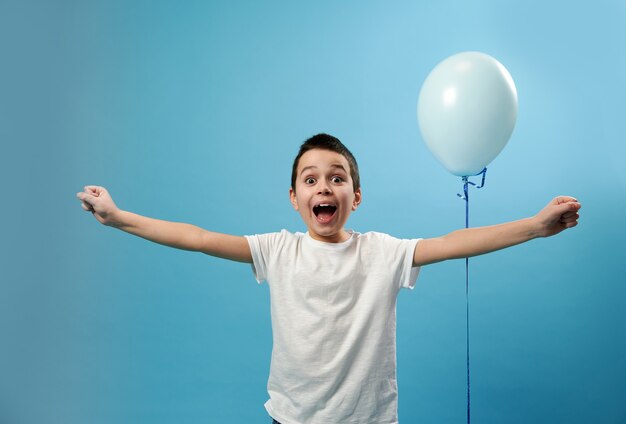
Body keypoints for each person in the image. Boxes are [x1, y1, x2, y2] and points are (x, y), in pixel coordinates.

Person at [76, 133, 581, 424]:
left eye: (337, 178)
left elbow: (452, 244)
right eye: (311, 178)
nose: (325, 186)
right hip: (291, 420)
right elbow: (199, 236)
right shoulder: (277, 249)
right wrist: (120, 218)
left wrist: (534, 227)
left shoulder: (382, 252)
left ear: (355, 197)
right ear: (294, 198)